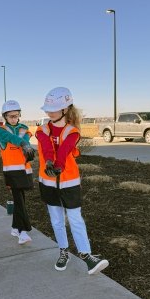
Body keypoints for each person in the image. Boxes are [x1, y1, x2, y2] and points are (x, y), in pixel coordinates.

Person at [35, 87, 109, 274]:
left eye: (54, 108)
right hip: (48, 182)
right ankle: (64, 251)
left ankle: (86, 256)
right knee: (57, 221)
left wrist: (58, 164)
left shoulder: (72, 131)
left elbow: (65, 149)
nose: (49, 112)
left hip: (69, 183)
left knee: (75, 219)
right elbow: (46, 146)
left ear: (65, 109)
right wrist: (50, 162)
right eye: (48, 108)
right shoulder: (41, 129)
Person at [0, 100, 35, 245]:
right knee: (19, 201)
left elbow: (25, 138)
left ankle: (14, 228)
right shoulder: (1, 130)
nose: (14, 118)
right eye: (11, 116)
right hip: (11, 172)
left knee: (21, 200)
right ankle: (22, 232)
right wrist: (23, 144)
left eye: (16, 115)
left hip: (24, 170)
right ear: (5, 116)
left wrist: (28, 146)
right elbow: (12, 139)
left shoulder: (24, 127)